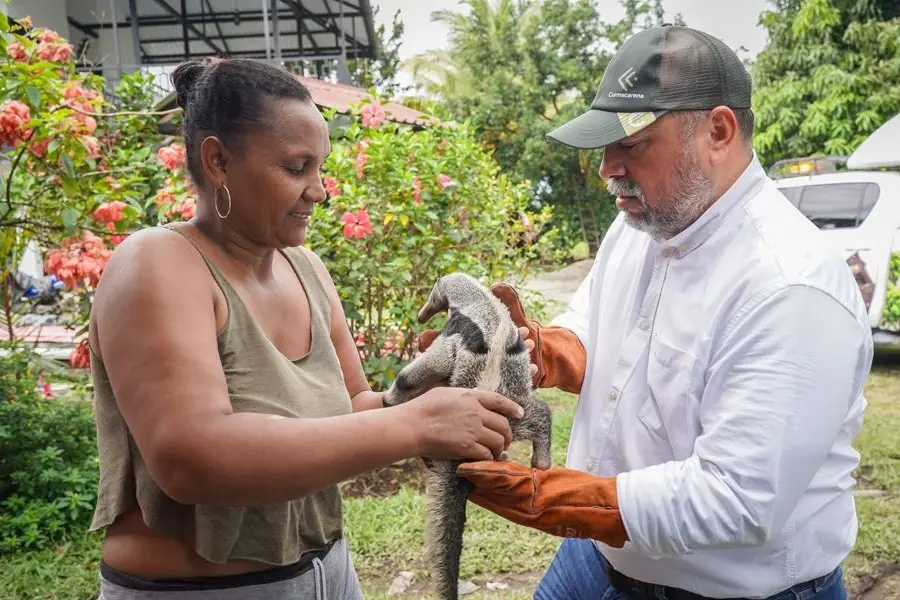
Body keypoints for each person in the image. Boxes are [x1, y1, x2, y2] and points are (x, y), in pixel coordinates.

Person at [430, 24, 873, 600]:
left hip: (731, 590)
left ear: (718, 131)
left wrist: (559, 499)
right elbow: (594, 332)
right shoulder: (640, 225)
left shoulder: (790, 286)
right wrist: (532, 352)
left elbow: (736, 499)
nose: (607, 167)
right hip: (599, 558)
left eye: (632, 145)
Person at [86, 57, 526, 600]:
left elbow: (352, 412)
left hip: (329, 576)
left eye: (320, 169)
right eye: (296, 169)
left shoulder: (306, 268)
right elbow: (192, 457)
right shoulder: (157, 264)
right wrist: (413, 425)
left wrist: (424, 390)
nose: (318, 191)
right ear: (218, 161)